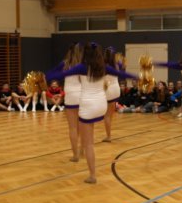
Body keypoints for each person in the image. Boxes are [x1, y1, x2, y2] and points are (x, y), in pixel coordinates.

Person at [50, 42, 135, 183]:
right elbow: (121, 73)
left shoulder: (80, 67)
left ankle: (92, 174)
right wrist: (137, 76)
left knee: (84, 138)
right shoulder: (103, 66)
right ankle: (83, 150)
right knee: (88, 132)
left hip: (86, 104)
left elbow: (59, 74)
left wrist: (45, 77)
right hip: (100, 105)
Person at [48, 43, 84, 162]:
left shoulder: (65, 63)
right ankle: (83, 150)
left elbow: (51, 74)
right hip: (82, 95)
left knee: (72, 128)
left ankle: (75, 155)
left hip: (70, 96)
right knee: (82, 126)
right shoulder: (84, 64)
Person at [102, 47, 124, 142]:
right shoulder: (117, 64)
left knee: (107, 115)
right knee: (110, 114)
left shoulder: (104, 66)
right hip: (116, 89)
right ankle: (108, 134)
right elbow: (122, 64)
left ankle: (108, 136)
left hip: (109, 89)